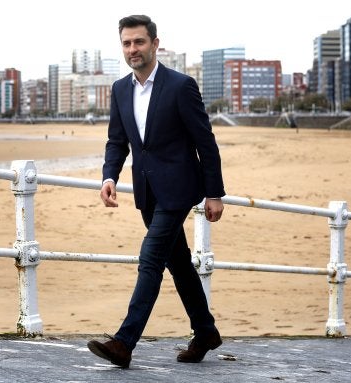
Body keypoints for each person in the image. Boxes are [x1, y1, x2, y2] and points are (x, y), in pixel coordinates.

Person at [87, 14, 225, 368]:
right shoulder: (120, 89)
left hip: (179, 189)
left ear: (155, 44)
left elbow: (204, 142)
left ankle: (124, 342)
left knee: (150, 259)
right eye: (127, 43)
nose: (133, 49)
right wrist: (109, 178)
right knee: (178, 263)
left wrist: (214, 193)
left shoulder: (180, 86)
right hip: (147, 191)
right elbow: (117, 141)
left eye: (139, 42)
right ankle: (206, 331)